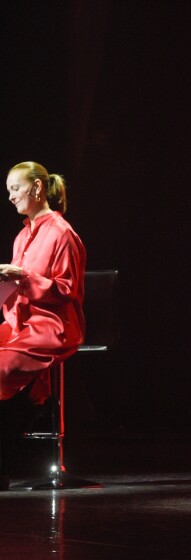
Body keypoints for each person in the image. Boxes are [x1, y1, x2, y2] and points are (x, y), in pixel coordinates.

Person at [0, 161, 86, 486]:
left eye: (15, 188)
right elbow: (18, 290)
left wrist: (22, 276)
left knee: (3, 367)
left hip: (53, 325)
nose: (10, 197)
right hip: (22, 324)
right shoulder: (23, 235)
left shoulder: (62, 233)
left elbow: (66, 290)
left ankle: (4, 464)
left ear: (36, 188)